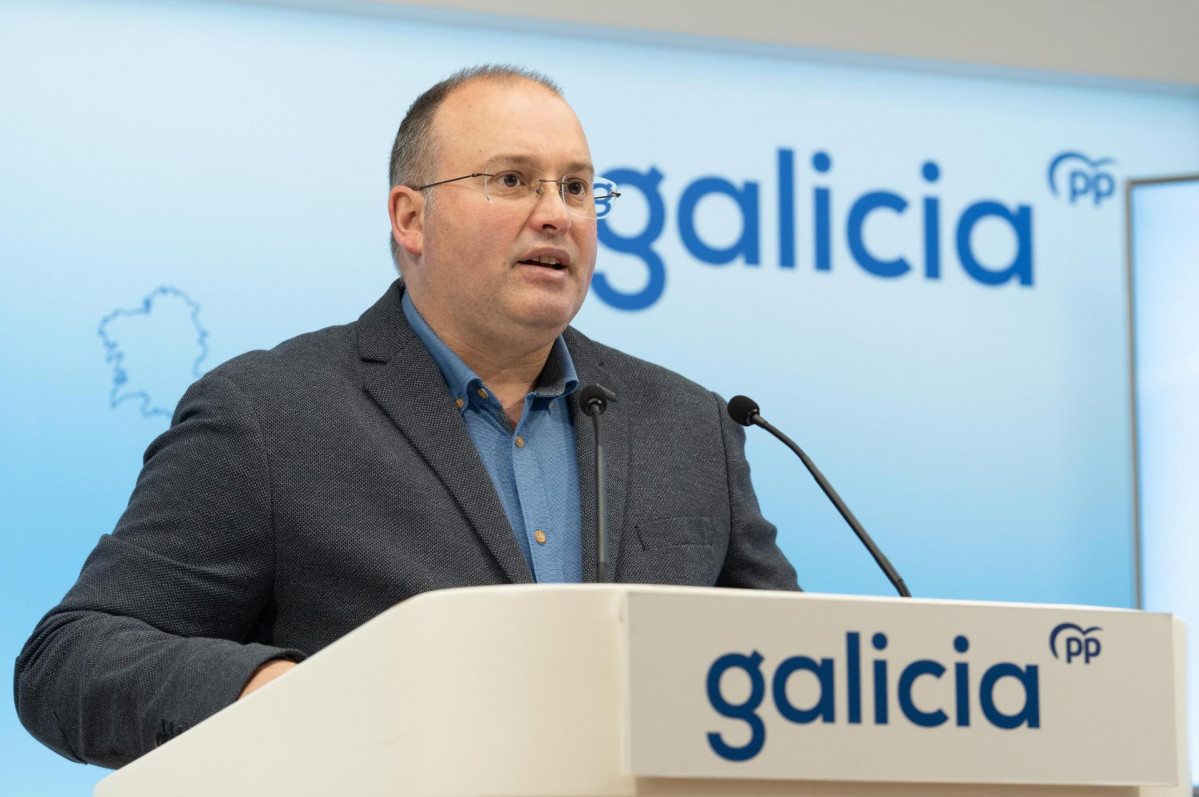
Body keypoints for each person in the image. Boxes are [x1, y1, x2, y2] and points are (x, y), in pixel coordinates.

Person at [14, 65, 798, 769]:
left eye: (575, 187)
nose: (556, 214)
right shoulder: (270, 414)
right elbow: (70, 658)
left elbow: (797, 673)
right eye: (513, 180)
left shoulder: (690, 425)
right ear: (409, 217)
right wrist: (270, 687)